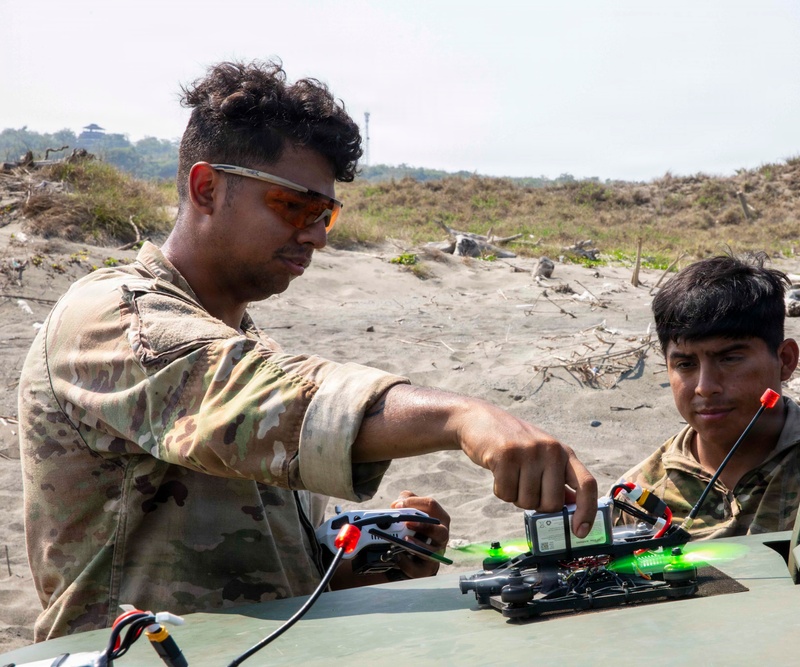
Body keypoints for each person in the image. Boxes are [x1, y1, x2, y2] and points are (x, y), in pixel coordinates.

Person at [17, 59, 597, 641]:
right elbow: (266, 401)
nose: (316, 234)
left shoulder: (248, 344)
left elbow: (257, 566)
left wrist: (364, 558)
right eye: (294, 206)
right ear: (206, 188)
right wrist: (465, 418)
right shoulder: (112, 318)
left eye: (325, 214)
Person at [616, 253, 800, 538]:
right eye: (685, 365)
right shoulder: (637, 498)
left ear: (786, 360)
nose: (705, 386)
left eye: (729, 359)